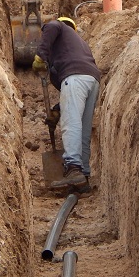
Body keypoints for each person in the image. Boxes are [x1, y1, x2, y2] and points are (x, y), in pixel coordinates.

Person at [33, 17, 101, 192]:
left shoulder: (58, 26)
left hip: (76, 77)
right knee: (83, 128)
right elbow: (70, 92)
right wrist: (58, 109)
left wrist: (41, 56)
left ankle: (72, 167)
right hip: (91, 80)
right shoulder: (75, 47)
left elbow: (52, 26)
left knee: (71, 124)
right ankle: (83, 176)